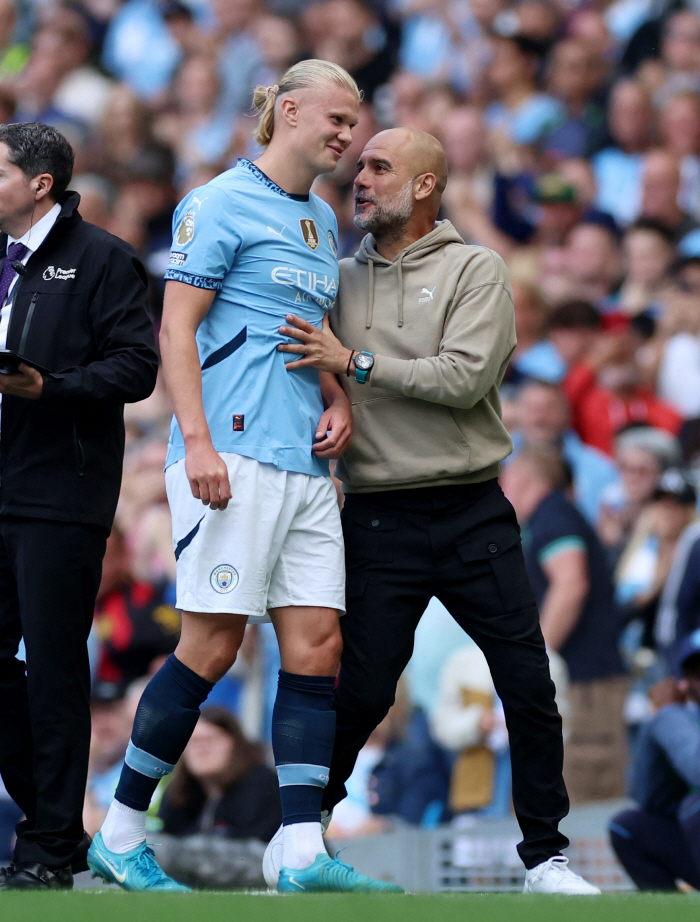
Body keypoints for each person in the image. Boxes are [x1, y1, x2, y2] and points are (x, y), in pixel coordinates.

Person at [88, 60, 401, 895]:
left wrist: (335, 395)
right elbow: (176, 330)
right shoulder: (218, 202)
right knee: (213, 644)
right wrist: (193, 444)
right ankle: (120, 831)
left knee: (316, 647)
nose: (346, 136)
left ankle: (300, 850)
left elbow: (302, 331)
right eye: (335, 119)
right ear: (287, 110)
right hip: (230, 454)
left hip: (303, 461)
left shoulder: (319, 219)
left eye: (354, 123)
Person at [268, 126, 600, 895]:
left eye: (380, 167)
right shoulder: (337, 276)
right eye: (360, 167)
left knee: (527, 681)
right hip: (377, 512)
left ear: (425, 185)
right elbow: (305, 370)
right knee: (363, 692)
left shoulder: (476, 269)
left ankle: (545, 858)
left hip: (471, 510)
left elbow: (462, 376)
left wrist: (351, 363)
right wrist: (334, 390)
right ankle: (300, 837)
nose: (361, 178)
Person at [0, 122, 158, 890]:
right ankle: (57, 830)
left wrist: (48, 388)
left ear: (39, 184)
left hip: (59, 493)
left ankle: (50, 844)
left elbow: (137, 366)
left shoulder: (101, 258)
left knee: (56, 667)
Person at [502, 446, 627, 804]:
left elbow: (570, 584)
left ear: (523, 478)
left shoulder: (553, 515)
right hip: (578, 685)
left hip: (586, 689)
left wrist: (534, 663)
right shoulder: (552, 517)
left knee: (579, 806)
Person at [609, 633, 700, 891]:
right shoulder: (680, 718)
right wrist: (665, 718)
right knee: (628, 827)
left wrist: (668, 714)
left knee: (694, 808)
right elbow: (647, 799)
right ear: (686, 682)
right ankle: (673, 916)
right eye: (697, 671)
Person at [158, 706, 281, 842]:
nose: (202, 749)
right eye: (193, 742)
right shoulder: (179, 793)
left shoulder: (262, 787)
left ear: (234, 743)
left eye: (210, 740)